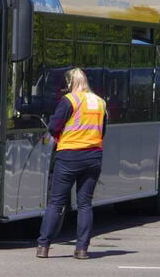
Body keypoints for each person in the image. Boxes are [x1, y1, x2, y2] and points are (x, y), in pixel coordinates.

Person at [36, 67, 107, 260]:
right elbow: (102, 131)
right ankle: (82, 249)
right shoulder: (100, 102)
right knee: (85, 204)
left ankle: (44, 246)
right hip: (93, 157)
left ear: (69, 83)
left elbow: (53, 126)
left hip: (69, 156)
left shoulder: (69, 100)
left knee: (57, 202)